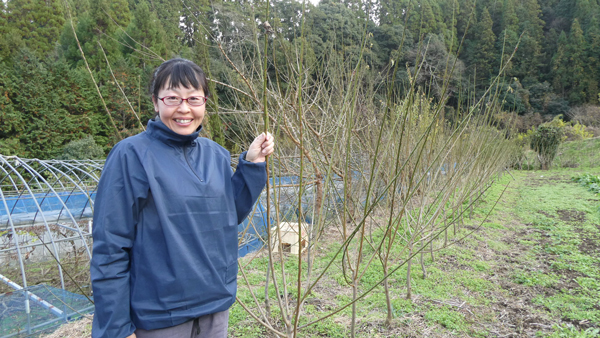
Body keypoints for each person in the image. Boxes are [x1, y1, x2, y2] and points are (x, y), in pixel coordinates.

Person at [90, 58, 274, 338]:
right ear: (156, 102)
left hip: (214, 308)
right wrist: (115, 328)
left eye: (193, 98)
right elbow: (111, 246)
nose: (184, 108)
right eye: (173, 98)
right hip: (159, 316)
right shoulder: (130, 156)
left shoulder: (215, 154)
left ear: (205, 103)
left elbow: (228, 215)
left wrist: (251, 164)